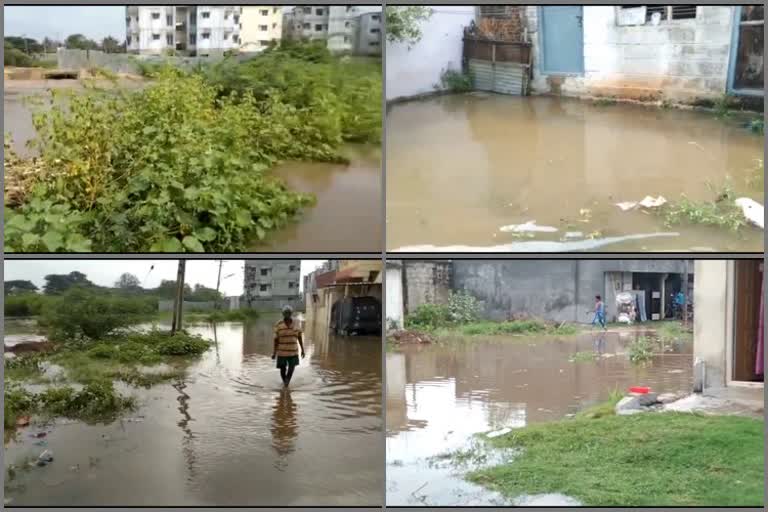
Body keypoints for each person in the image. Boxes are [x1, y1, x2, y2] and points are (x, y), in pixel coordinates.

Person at [272, 305, 305, 387]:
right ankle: (285, 383)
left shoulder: (296, 323)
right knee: (282, 369)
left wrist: (303, 350)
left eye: (289, 313)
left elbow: (300, 337)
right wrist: (274, 352)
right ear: (283, 314)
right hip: (282, 351)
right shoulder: (278, 324)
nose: (287, 314)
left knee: (291, 368)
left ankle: (286, 384)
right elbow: (276, 339)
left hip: (293, 351)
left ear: (291, 313)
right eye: (285, 313)